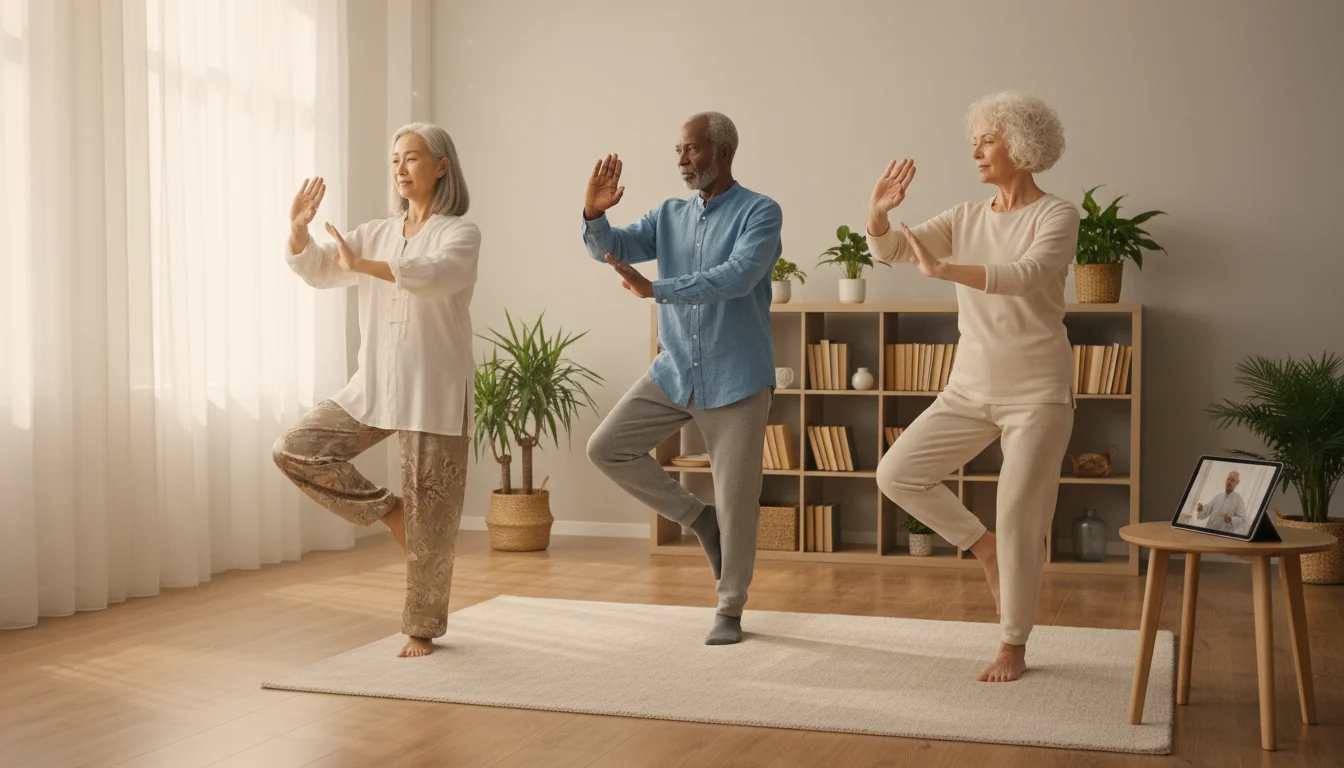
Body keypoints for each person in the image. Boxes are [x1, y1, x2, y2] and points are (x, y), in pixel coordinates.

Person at [867, 91, 1080, 682]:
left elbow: (1028, 275)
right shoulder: (964, 217)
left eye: (989, 139)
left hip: (1038, 392)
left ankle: (1013, 643)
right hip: (968, 388)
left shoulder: (1057, 216)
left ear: (1024, 144)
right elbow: (889, 251)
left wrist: (946, 271)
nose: (977, 150)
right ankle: (980, 547)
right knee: (896, 473)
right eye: (976, 141)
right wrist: (880, 213)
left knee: (1019, 517)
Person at [272, 123, 480, 658]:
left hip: (434, 389)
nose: (400, 169)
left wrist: (362, 265)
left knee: (432, 519)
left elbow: (436, 275)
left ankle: (421, 628)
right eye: (394, 161)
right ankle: (389, 512)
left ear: (441, 167)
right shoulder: (373, 232)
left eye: (412, 158)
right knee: (295, 448)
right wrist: (298, 229)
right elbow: (320, 270)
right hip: (374, 386)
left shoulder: (460, 232)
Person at [583, 111, 783, 645]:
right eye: (678, 151)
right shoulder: (669, 214)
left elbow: (739, 277)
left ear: (723, 152)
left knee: (739, 499)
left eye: (691, 150)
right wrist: (593, 214)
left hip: (737, 379)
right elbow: (611, 247)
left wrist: (658, 291)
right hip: (673, 371)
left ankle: (730, 608)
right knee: (606, 448)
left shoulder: (760, 212)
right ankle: (699, 519)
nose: (681, 161)